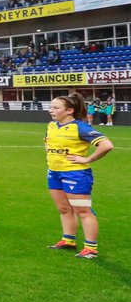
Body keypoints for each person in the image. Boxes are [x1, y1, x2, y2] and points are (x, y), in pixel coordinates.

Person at [44, 93, 114, 259]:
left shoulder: (80, 127)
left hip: (75, 174)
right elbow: (47, 142)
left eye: (55, 107)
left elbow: (107, 145)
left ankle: (91, 248)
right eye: (51, 107)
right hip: (54, 172)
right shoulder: (52, 125)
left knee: (83, 210)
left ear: (69, 110)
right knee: (63, 209)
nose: (51, 110)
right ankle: (68, 240)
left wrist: (87, 158)